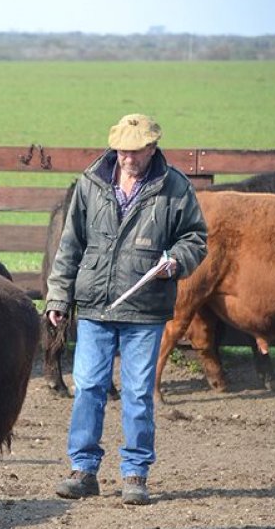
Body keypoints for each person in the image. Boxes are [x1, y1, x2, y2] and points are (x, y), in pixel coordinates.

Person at [45, 113, 207, 505]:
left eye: (135, 151)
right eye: (122, 150)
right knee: (88, 387)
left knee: (136, 393)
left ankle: (135, 474)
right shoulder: (92, 184)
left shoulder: (175, 188)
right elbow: (70, 246)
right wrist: (58, 297)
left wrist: (176, 261)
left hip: (145, 310)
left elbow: (196, 238)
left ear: (152, 148)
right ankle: (83, 470)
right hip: (96, 307)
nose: (127, 158)